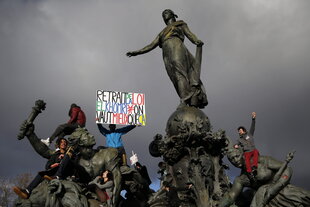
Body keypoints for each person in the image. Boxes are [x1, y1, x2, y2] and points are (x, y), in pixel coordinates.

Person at [127, 9, 208, 108]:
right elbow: (151, 45)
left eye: (166, 12)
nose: (164, 15)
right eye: (162, 14)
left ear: (173, 15)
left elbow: (190, 34)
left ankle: (185, 99)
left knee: (179, 74)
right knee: (174, 77)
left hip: (177, 47)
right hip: (166, 54)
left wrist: (196, 40)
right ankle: (187, 98)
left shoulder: (180, 24)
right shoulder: (162, 33)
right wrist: (136, 52)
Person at [218, 148, 310, 207]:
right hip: (265, 200)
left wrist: (277, 185)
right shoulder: (240, 179)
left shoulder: (262, 161)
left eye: (237, 156)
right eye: (232, 159)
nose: (235, 160)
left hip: (283, 191)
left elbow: (287, 169)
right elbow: (231, 196)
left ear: (242, 154)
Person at [234, 112, 258, 179]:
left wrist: (253, 119)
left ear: (243, 130)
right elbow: (236, 144)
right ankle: (249, 172)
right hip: (247, 151)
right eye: (239, 131)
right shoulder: (239, 139)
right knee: (246, 159)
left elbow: (253, 126)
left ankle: (254, 166)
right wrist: (235, 146)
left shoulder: (249, 134)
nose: (239, 131)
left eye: (240, 130)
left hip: (253, 149)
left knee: (256, 152)